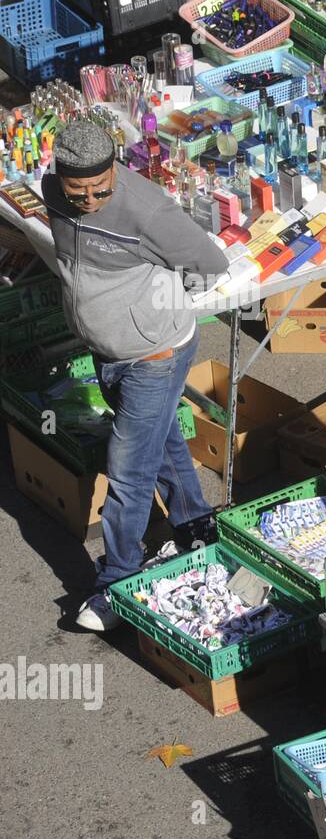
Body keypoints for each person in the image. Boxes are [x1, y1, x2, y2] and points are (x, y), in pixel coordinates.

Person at [43, 121, 230, 630]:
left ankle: (117, 580)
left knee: (128, 471)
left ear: (115, 170)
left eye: (101, 188)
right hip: (107, 351)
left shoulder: (147, 208)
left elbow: (211, 263)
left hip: (155, 354)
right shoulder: (50, 192)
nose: (88, 200)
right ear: (59, 178)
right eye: (76, 190)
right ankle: (194, 521)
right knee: (161, 439)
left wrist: (159, 306)